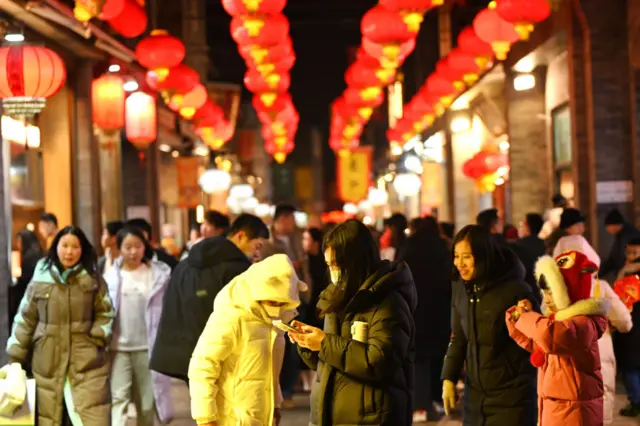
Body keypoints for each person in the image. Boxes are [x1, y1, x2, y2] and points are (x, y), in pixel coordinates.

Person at [290, 219, 417, 426]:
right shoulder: (335, 297)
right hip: (332, 414)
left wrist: (324, 343)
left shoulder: (388, 302)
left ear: (355, 262)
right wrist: (308, 343)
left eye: (337, 264)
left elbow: (378, 361)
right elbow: (328, 363)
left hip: (371, 418)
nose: (333, 272)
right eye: (329, 265)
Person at [6, 226, 114, 426]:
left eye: (75, 246)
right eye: (65, 245)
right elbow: (25, 318)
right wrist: (16, 357)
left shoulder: (93, 279)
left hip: (86, 364)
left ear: (83, 250)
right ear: (56, 247)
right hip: (47, 362)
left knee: (87, 417)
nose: (69, 252)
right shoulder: (41, 278)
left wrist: (96, 337)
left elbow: (106, 312)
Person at [188, 254, 307, 426]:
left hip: (261, 416)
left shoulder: (277, 320)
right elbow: (202, 365)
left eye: (282, 303)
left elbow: (270, 370)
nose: (276, 308)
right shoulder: (232, 316)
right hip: (229, 419)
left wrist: (275, 405)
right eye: (272, 302)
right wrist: (206, 418)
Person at [149, 214, 269, 383]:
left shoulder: (185, 264)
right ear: (240, 236)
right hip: (218, 353)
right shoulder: (238, 270)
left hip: (181, 352)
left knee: (201, 405)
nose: (257, 253)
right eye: (257, 246)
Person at [441, 225, 538, 426]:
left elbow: (537, 342)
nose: (460, 264)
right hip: (475, 398)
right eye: (456, 256)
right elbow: (459, 337)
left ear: (484, 255)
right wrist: (448, 378)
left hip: (512, 398)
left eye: (467, 256)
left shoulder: (514, 291)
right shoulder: (461, 287)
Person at [505, 251, 610, 426]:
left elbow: (550, 337)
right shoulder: (559, 322)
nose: (547, 300)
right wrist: (516, 320)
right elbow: (539, 344)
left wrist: (527, 317)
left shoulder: (582, 323)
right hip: (557, 407)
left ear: (569, 291)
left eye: (552, 293)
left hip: (574, 411)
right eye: (545, 293)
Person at [549, 234, 632, 424]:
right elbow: (625, 322)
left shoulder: (552, 294)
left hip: (564, 362)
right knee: (599, 410)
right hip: (599, 357)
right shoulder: (600, 288)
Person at [103, 227, 173, 425]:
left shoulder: (157, 275)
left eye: (137, 246)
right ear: (119, 249)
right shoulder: (111, 278)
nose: (133, 252)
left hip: (148, 349)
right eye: (127, 247)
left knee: (146, 403)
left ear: (145, 247)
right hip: (118, 350)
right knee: (118, 400)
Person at [398, 216, 451, 422]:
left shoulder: (410, 247)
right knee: (437, 355)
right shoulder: (441, 247)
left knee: (418, 358)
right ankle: (437, 399)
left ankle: (420, 405)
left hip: (415, 309)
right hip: (439, 308)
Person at [260, 204, 309, 407]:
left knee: (295, 345)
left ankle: (286, 390)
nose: (293, 223)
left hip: (299, 298)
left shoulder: (296, 239)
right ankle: (281, 391)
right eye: (290, 218)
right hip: (279, 302)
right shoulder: (266, 243)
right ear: (280, 219)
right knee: (282, 347)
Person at [614, 238, 640, 417]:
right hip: (632, 326)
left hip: (632, 326)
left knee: (630, 366)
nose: (630, 256)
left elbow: (619, 298)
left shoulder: (629, 273)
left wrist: (623, 272)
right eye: (628, 252)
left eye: (635, 253)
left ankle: (637, 402)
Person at [300, 227, 328, 392]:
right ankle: (307, 380)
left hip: (320, 305)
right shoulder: (303, 260)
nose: (304, 243)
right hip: (308, 304)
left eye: (307, 239)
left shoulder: (323, 261)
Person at [9, 229, 43, 329]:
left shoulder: (30, 257)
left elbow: (26, 280)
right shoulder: (37, 253)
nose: (18, 244)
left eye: (19, 241)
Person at [511, 213, 546, 303]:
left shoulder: (518, 246)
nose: (521, 227)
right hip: (541, 289)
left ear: (528, 227)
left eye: (523, 224)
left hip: (524, 289)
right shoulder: (545, 244)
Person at [601, 208, 640, 279]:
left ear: (614, 225)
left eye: (607, 226)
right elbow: (613, 260)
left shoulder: (629, 236)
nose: (607, 230)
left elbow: (622, 259)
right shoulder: (621, 235)